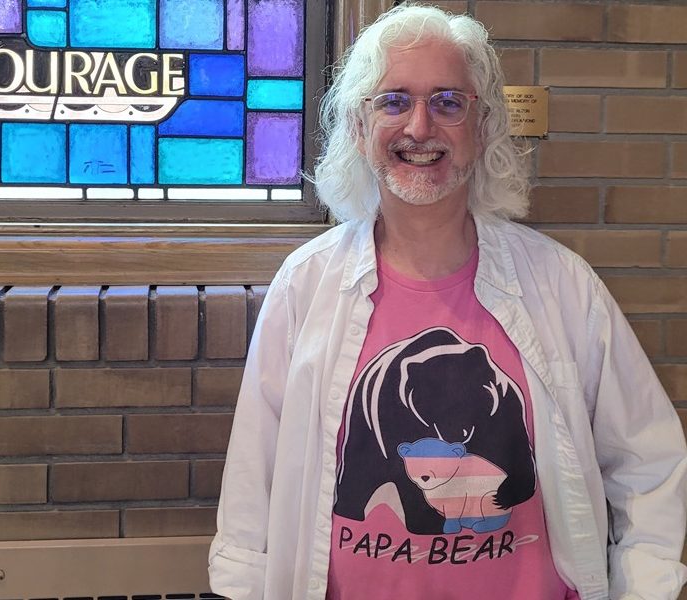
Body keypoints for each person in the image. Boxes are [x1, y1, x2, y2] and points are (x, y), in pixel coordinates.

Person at [208, 4, 687, 599]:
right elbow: (253, 485)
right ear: (358, 128)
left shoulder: (563, 285)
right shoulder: (306, 286)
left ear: (482, 127)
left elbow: (649, 464)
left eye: (447, 102)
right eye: (393, 101)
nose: (419, 127)